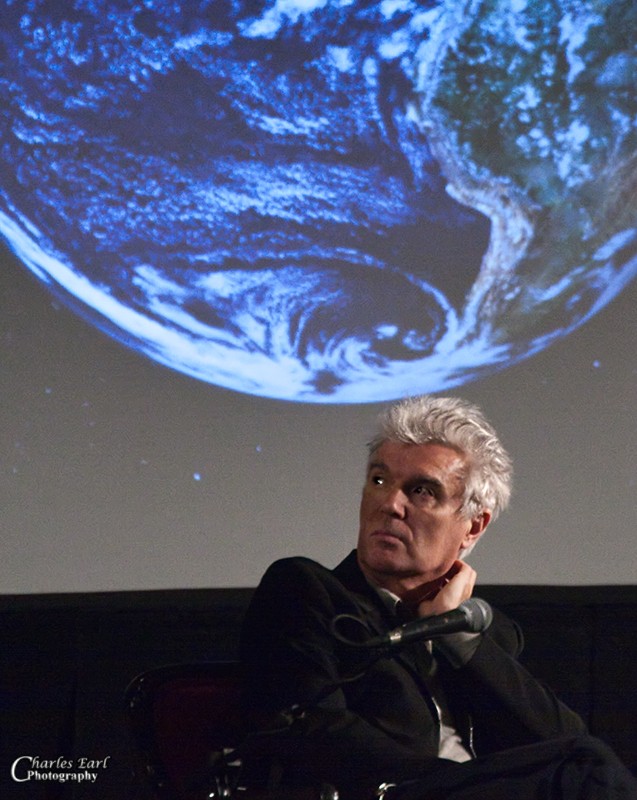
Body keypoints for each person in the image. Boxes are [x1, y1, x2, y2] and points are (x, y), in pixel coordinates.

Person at [239, 395, 637, 799]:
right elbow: (311, 728)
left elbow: (566, 744)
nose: (390, 504)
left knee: (587, 767)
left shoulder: (485, 633)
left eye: (422, 491)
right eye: (379, 480)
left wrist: (456, 635)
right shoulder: (308, 591)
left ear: (473, 527)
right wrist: (464, 781)